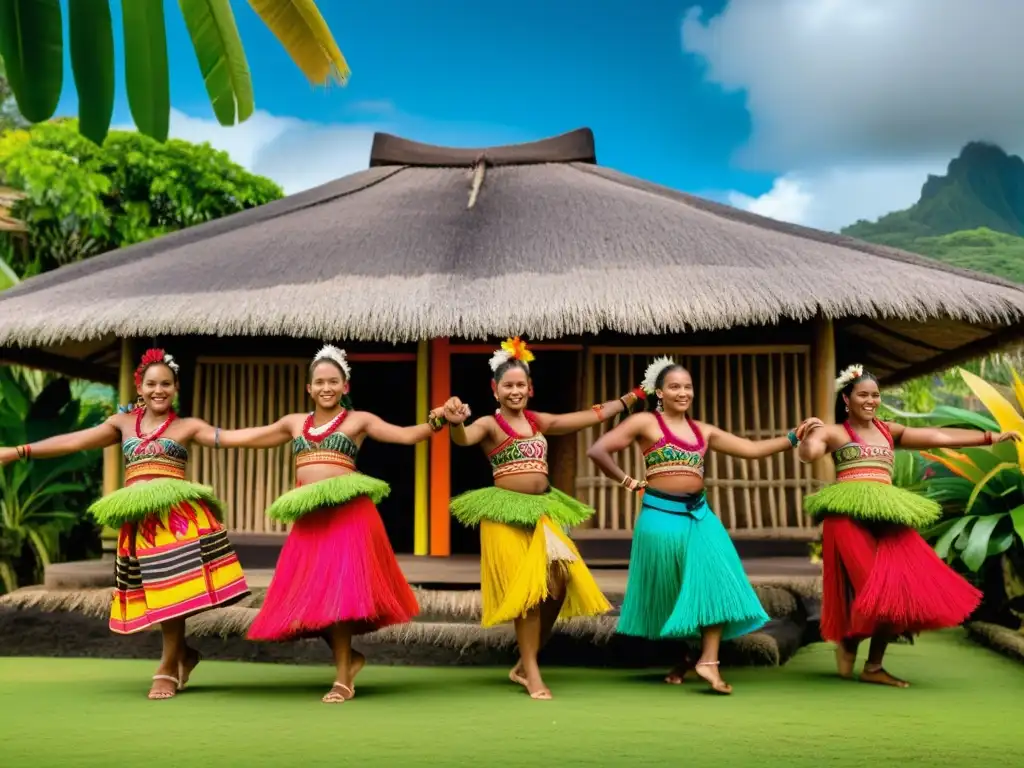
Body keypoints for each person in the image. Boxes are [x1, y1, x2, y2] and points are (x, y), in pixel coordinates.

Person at [195, 344, 450, 703]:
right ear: (309, 389)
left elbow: (406, 435)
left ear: (345, 386)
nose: (326, 387)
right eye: (319, 382)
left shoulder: (358, 420)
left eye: (334, 381)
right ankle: (350, 660)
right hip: (311, 520)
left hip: (349, 515)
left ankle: (343, 677)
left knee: (341, 594)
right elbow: (249, 438)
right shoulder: (293, 423)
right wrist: (202, 434)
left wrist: (438, 419)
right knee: (309, 596)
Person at [0, 348, 250, 700]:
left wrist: (291, 430)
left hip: (177, 518)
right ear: (140, 386)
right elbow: (74, 441)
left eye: (166, 384)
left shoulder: (186, 426)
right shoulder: (121, 424)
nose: (158, 390)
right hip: (139, 522)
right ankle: (183, 654)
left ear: (176, 387)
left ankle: (166, 666)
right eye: (151, 384)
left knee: (172, 588)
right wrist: (19, 451)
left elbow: (237, 438)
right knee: (160, 590)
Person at [586, 356, 819, 694]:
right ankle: (689, 655)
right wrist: (629, 482)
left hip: (700, 516)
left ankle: (709, 662)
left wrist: (792, 437)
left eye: (688, 387)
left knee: (716, 579)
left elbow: (752, 449)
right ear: (660, 392)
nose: (683, 392)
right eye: (675, 387)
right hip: (660, 518)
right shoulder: (644, 423)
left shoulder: (703, 431)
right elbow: (598, 450)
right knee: (674, 592)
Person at [443, 337, 646, 700]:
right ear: (495, 389)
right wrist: (456, 423)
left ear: (530, 388)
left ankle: (526, 660)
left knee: (558, 584)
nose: (515, 390)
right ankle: (532, 673)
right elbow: (463, 439)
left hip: (543, 513)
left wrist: (628, 399)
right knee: (528, 593)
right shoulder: (490, 425)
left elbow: (587, 417)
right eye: (508, 385)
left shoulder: (540, 421)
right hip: (505, 515)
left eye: (521, 384)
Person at [797, 364, 1019, 688]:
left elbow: (938, 436)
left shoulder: (890, 431)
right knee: (878, 591)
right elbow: (810, 453)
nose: (870, 400)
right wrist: (807, 438)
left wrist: (989, 437)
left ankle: (873, 666)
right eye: (863, 395)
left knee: (902, 588)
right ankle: (850, 639)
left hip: (889, 517)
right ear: (847, 399)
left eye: (875, 395)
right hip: (847, 519)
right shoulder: (835, 433)